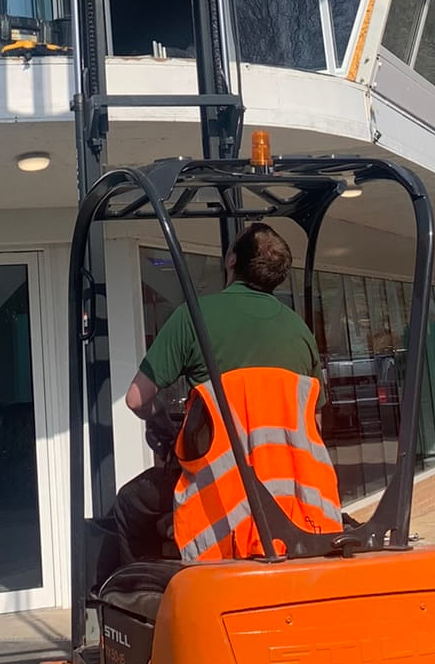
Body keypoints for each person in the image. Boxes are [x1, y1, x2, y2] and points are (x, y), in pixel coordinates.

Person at [103, 222, 340, 574]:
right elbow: (313, 426)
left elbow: (137, 398)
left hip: (220, 489)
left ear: (231, 260)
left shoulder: (194, 317)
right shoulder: (299, 330)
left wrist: (161, 421)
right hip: (293, 494)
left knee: (129, 503)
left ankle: (146, 593)